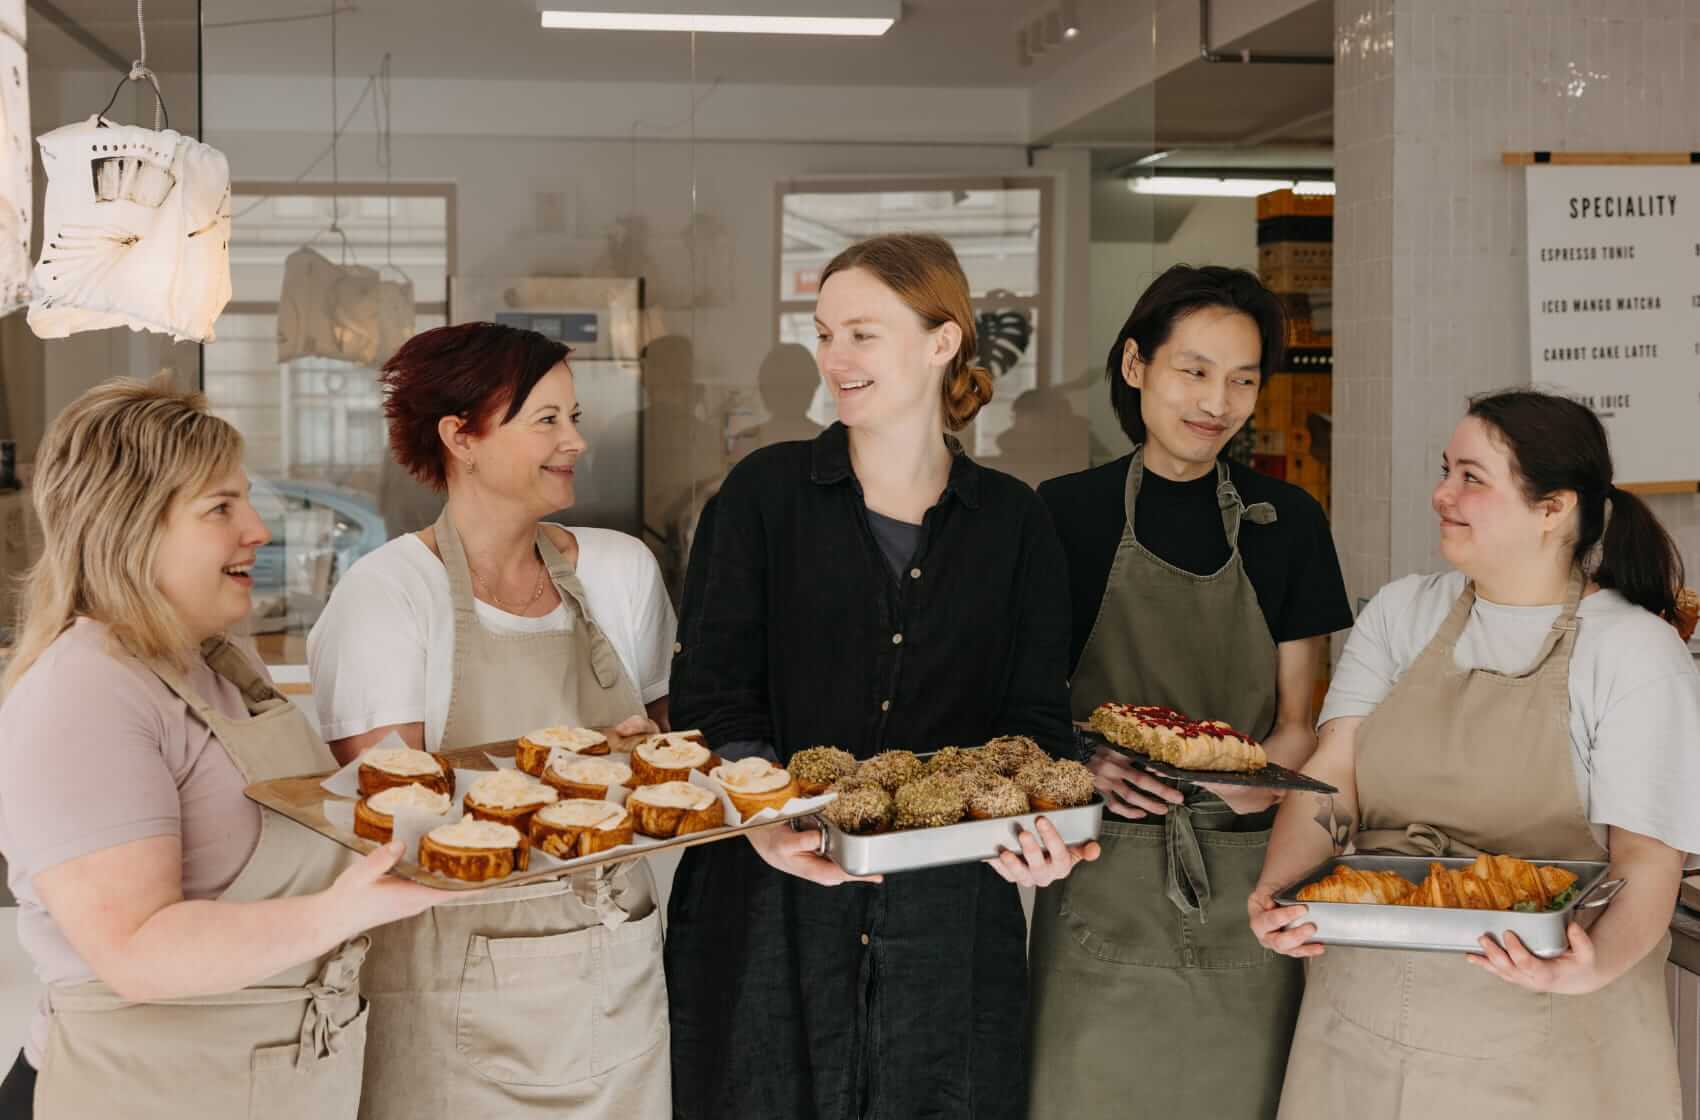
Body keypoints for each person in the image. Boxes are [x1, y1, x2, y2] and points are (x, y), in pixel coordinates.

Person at [665, 232, 1099, 1119]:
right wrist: (764, 822)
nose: (835, 358)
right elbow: (712, 695)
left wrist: (1042, 836)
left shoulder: (1012, 524)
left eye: (862, 332)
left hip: (946, 933)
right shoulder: (762, 495)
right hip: (767, 917)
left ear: (943, 341)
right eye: (825, 334)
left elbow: (1034, 726)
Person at [1250, 389, 1700, 1119]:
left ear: (1552, 508)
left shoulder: (1632, 652)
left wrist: (1593, 967)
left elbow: (1647, 862)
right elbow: (1332, 772)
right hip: (1360, 1026)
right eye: (1444, 470)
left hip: (1548, 1037)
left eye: (1470, 477)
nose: (1440, 495)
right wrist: (1284, 889)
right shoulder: (1403, 613)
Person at [0, 377, 440, 1120]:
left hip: (263, 1080)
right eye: (221, 508)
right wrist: (343, 910)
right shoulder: (85, 692)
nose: (258, 530)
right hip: (143, 1091)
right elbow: (135, 949)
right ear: (130, 526)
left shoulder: (214, 662)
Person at [307, 322, 677, 1119]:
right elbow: (393, 825)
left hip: (616, 957)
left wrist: (647, 758)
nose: (575, 440)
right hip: (457, 978)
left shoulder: (621, 571)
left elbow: (668, 771)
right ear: (460, 437)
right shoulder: (387, 595)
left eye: (575, 416)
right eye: (546, 419)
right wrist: (574, 770)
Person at [1027, 265, 1354, 1118]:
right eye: (1195, 371)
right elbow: (1020, 706)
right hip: (1105, 868)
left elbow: (1296, 724)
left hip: (1249, 870)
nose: (1219, 401)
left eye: (1244, 379)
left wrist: (1241, 782)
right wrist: (1081, 760)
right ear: (1136, 366)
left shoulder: (1290, 521)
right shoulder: (1062, 514)